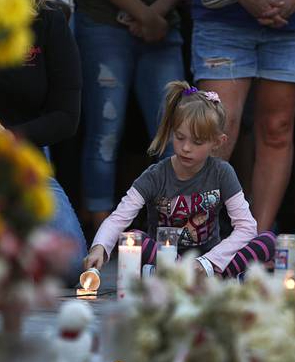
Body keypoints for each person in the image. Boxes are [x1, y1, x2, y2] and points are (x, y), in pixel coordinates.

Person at [83, 81, 276, 278]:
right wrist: (99, 247)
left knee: (268, 241)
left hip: (209, 260)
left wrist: (207, 262)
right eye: (180, 137)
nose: (186, 147)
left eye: (197, 142)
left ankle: (197, 278)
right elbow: (119, 218)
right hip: (166, 258)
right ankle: (201, 279)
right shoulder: (156, 175)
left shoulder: (222, 172)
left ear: (217, 142)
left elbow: (246, 226)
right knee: (135, 239)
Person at [0, 0, 87, 285]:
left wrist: (8, 136)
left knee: (71, 264)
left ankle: (8, 255)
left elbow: (66, 117)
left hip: (25, 155)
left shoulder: (48, 21)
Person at [191, 0, 295, 232]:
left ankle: (257, 239)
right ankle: (195, 233)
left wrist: (293, 1)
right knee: (217, 125)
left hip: (291, 20)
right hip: (224, 17)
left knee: (278, 129)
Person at [75, 0, 190, 237]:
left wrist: (155, 15)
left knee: (176, 134)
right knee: (105, 133)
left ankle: (175, 237)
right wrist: (149, 16)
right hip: (103, 20)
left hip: (164, 24)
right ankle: (101, 240)